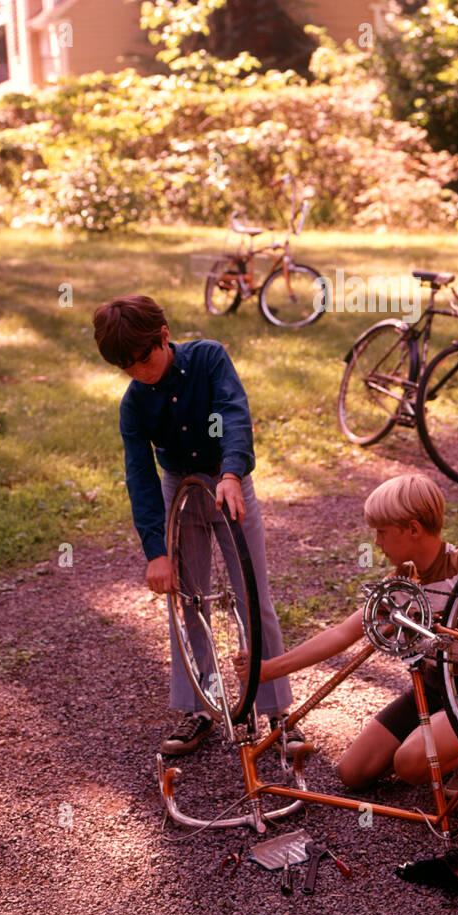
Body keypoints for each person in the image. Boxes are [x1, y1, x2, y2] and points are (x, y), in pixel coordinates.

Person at [239, 474, 458, 790]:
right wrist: (266, 670)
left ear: (413, 529)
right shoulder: (402, 586)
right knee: (352, 772)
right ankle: (436, 742)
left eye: (382, 533)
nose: (376, 542)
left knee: (409, 763)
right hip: (434, 690)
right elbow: (341, 633)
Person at [92, 294, 292, 756]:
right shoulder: (134, 405)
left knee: (253, 596)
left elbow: (234, 412)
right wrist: (155, 553)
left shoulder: (208, 358)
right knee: (188, 601)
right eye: (128, 367)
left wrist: (231, 473)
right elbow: (139, 476)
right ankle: (198, 708)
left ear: (164, 337)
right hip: (177, 490)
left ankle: (278, 709)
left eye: (145, 358)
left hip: (228, 484)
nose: (140, 371)